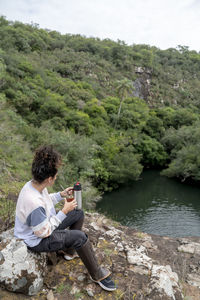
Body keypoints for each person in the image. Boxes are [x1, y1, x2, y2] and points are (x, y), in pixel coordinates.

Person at [14, 145, 116, 292]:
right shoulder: (33, 202)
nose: (56, 178)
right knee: (80, 237)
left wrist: (60, 195)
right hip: (35, 240)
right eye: (55, 176)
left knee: (78, 213)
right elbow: (44, 232)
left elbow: (44, 199)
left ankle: (68, 252)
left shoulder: (33, 185)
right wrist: (63, 211)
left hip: (42, 227)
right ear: (49, 179)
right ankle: (97, 274)